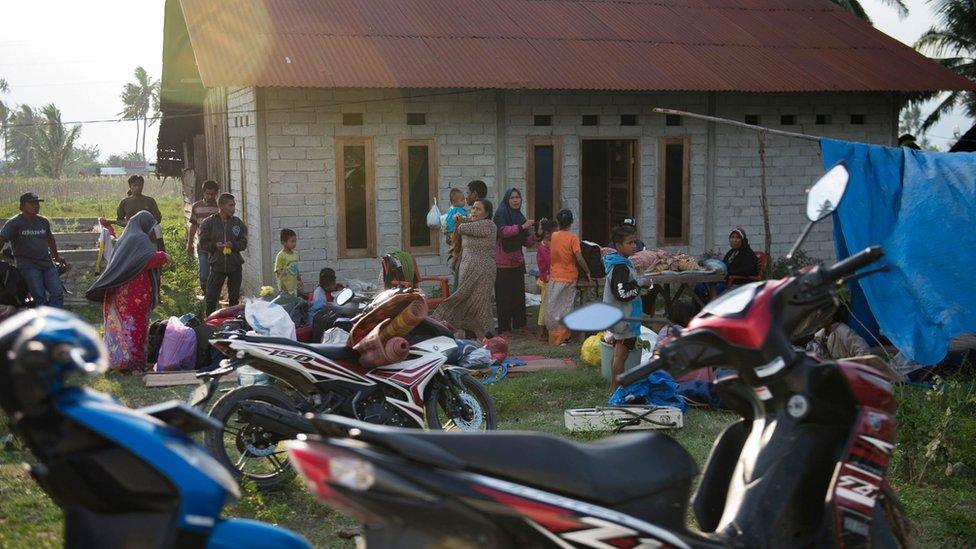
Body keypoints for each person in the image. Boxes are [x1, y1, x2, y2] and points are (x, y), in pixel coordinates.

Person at [85, 211, 169, 373]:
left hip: (120, 288)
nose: (152, 231)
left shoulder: (127, 237)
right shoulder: (140, 238)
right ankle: (132, 363)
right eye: (151, 227)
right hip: (134, 292)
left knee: (119, 326)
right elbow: (146, 261)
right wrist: (163, 256)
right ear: (145, 224)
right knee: (134, 326)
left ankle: (117, 361)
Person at [433, 199, 497, 340]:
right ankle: (469, 335)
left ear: (487, 213)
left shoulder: (489, 225)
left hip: (483, 271)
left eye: (478, 209)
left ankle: (487, 338)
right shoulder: (472, 223)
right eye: (473, 208)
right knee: (464, 299)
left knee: (480, 304)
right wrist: (459, 218)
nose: (474, 211)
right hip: (467, 269)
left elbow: (461, 228)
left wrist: (459, 219)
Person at [604, 224, 653, 392]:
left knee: (620, 353)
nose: (634, 246)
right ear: (618, 245)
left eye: (635, 242)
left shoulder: (623, 264)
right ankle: (616, 388)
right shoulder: (620, 267)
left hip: (622, 317)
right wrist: (640, 285)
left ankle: (614, 387)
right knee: (620, 354)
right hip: (623, 319)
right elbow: (622, 293)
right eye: (630, 242)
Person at [0, 193, 65, 308]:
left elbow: (50, 238)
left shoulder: (43, 221)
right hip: (28, 265)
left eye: (37, 203)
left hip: (47, 263)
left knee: (57, 292)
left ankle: (54, 318)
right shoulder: (14, 223)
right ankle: (43, 320)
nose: (36, 206)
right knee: (39, 295)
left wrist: (56, 256)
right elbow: (2, 239)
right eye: (32, 203)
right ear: (22, 206)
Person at [493, 188, 538, 335]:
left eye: (517, 197)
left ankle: (520, 326)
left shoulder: (519, 216)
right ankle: (504, 328)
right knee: (504, 297)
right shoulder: (500, 214)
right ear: (507, 200)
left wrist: (537, 235)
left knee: (518, 296)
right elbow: (503, 232)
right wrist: (522, 226)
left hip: (517, 262)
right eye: (512, 197)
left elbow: (527, 242)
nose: (515, 200)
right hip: (502, 263)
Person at [543, 209, 591, 345]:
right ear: (571, 222)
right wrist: (587, 271)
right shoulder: (573, 237)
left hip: (555, 276)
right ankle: (563, 338)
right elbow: (579, 258)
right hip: (569, 277)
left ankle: (553, 337)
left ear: (558, 222)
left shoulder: (554, 236)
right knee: (566, 307)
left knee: (553, 307)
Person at [199, 193, 248, 315]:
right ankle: (210, 322)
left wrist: (234, 245)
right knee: (211, 297)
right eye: (230, 205)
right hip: (217, 265)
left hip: (235, 265)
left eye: (234, 205)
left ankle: (233, 322)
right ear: (221, 206)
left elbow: (243, 243)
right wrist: (215, 246)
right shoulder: (208, 223)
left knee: (234, 298)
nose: (233, 208)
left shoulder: (238, 223)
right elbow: (203, 243)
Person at [451, 180, 488, 290]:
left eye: (468, 193)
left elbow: (463, 232)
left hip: (472, 261)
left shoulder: (480, 219)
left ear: (475, 194)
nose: (466, 197)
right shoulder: (472, 215)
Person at [186, 180, 220, 293]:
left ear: (216, 193)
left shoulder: (219, 207)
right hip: (202, 245)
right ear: (203, 192)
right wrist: (190, 243)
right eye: (208, 193)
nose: (210, 196)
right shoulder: (196, 206)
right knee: (204, 273)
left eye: (212, 194)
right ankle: (206, 294)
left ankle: (213, 296)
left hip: (217, 246)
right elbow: (194, 226)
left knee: (216, 273)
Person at [117, 175, 164, 251]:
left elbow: (158, 218)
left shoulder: (150, 201)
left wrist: (149, 227)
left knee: (151, 255)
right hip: (131, 234)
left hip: (149, 235)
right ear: (130, 186)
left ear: (143, 186)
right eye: (135, 185)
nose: (137, 188)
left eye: (140, 185)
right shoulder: (125, 202)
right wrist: (128, 224)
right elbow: (119, 220)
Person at [806, 308, 871, 360]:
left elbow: (864, 350)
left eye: (821, 316)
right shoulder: (820, 335)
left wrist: (853, 366)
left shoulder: (842, 330)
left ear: (830, 317)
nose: (818, 319)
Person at [535, 219, 557, 341]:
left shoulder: (548, 246)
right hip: (546, 280)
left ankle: (546, 331)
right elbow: (550, 263)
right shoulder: (544, 248)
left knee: (548, 306)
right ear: (548, 234)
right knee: (544, 307)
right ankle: (540, 332)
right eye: (556, 232)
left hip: (549, 280)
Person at [275, 228, 302, 295]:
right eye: (292, 241)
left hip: (293, 286)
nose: (294, 243)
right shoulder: (281, 255)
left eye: (295, 241)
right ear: (283, 242)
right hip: (285, 287)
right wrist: (283, 274)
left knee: (293, 302)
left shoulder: (294, 254)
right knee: (286, 303)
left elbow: (295, 267)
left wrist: (299, 278)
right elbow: (277, 270)